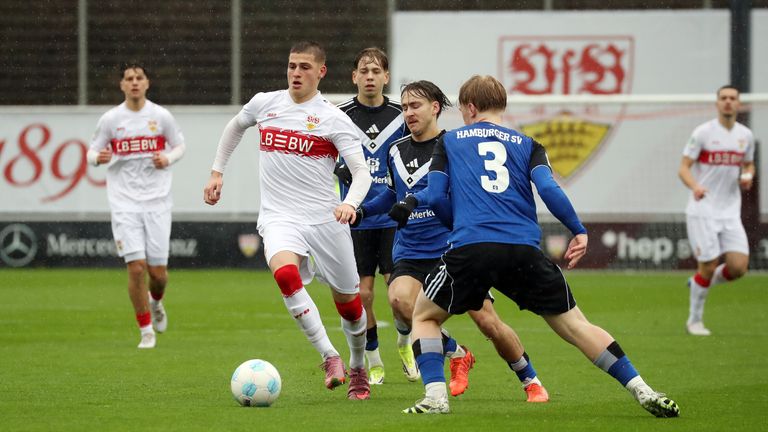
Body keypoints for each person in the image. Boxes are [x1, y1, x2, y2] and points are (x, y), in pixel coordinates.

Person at [400, 75, 679, 417]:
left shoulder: (451, 141)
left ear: (470, 107)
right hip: (523, 249)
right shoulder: (528, 144)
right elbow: (549, 190)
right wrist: (578, 229)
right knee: (577, 327)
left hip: (472, 246)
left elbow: (437, 196)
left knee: (425, 317)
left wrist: (456, 226)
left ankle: (435, 398)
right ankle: (643, 389)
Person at [356, 80, 549, 402]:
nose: (408, 113)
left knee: (488, 322)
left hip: (452, 248)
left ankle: (530, 379)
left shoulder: (457, 145)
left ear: (435, 108)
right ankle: (457, 353)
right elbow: (392, 193)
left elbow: (439, 191)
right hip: (411, 249)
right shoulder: (395, 149)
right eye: (404, 107)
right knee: (400, 302)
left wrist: (418, 203)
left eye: (415, 106)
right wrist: (361, 212)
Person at [203, 41, 373, 400]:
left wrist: (351, 203)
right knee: (285, 274)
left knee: (351, 306)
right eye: (292, 66)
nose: (296, 73)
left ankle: (358, 365)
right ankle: (330, 356)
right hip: (280, 217)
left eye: (305, 67)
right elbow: (235, 127)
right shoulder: (266, 103)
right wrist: (217, 172)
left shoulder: (333, 118)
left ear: (321, 72)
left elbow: (361, 172)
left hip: (326, 221)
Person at [88, 63, 186, 349]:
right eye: (128, 79)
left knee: (158, 274)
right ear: (122, 85)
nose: (133, 83)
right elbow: (91, 151)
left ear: (147, 83)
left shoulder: (160, 116)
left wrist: (167, 159)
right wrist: (98, 158)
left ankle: (156, 302)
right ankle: (146, 330)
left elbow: (179, 145)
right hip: (123, 203)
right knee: (135, 268)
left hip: (157, 201)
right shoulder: (111, 120)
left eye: (138, 78)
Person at [334, 47, 414, 385]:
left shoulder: (402, 113)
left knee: (400, 298)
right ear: (354, 77)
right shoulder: (337, 115)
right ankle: (374, 358)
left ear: (386, 77)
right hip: (355, 218)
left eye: (376, 71)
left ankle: (405, 342)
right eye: (363, 71)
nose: (369, 77)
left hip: (393, 217)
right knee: (362, 295)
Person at [678, 85, 755, 336]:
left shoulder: (746, 136)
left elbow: (749, 165)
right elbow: (684, 168)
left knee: (738, 267)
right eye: (724, 98)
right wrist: (696, 186)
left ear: (739, 103)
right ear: (717, 103)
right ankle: (694, 321)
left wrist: (747, 175)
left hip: (730, 211)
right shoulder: (703, 133)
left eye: (733, 98)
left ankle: (699, 283)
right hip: (703, 210)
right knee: (708, 265)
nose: (728, 102)